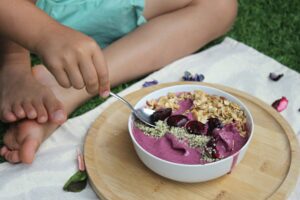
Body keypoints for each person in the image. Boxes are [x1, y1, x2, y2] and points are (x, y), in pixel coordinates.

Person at [0, 0, 238, 164]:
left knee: (218, 5)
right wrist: (17, 60)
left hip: (75, 8)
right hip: (18, 18)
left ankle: (67, 89)